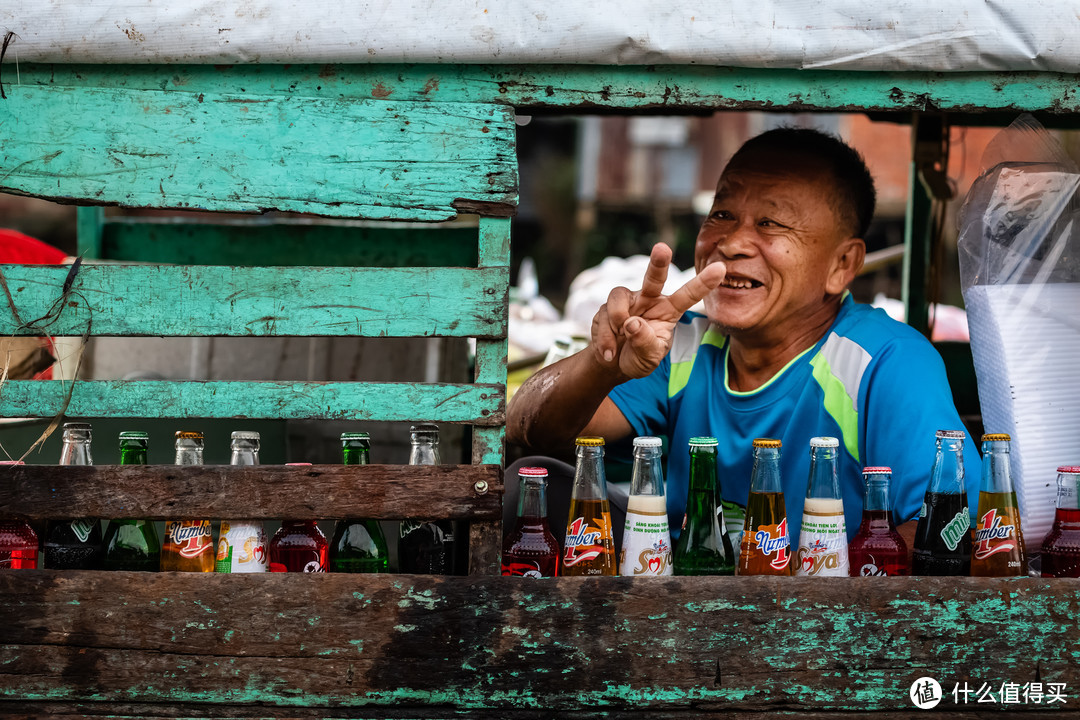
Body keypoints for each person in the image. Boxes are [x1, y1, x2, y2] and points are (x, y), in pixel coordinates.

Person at [506, 128, 979, 551]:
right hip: (675, 611)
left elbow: (955, 526)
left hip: (822, 628)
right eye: (723, 213)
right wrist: (603, 363)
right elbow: (531, 429)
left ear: (842, 265)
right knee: (529, 485)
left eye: (771, 223)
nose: (730, 242)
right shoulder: (682, 342)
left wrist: (812, 584)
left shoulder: (884, 362)